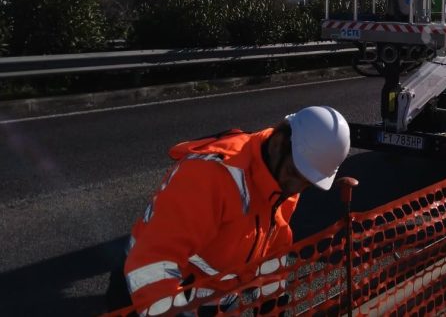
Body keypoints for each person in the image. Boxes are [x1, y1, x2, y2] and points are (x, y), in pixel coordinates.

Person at [108, 106, 351, 314]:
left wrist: (273, 307)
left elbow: (271, 254)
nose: (296, 187)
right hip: (147, 299)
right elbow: (150, 264)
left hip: (214, 304)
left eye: (307, 183)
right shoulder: (210, 176)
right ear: (278, 143)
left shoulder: (283, 182)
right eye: (295, 175)